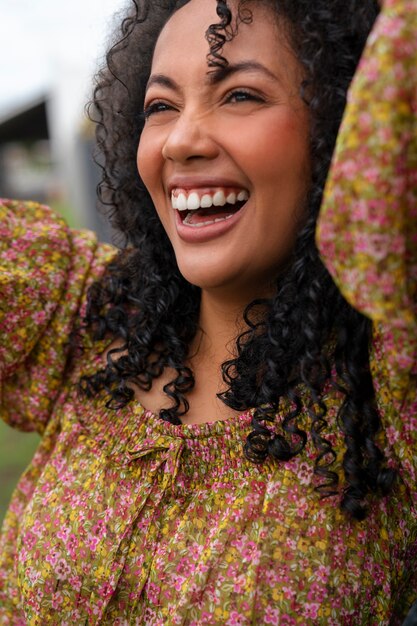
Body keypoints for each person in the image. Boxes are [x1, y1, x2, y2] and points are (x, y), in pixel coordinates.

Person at [0, 0, 415, 624]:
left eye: (241, 95)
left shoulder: (386, 395)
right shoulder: (88, 315)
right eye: (160, 107)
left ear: (344, 123)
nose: (183, 141)